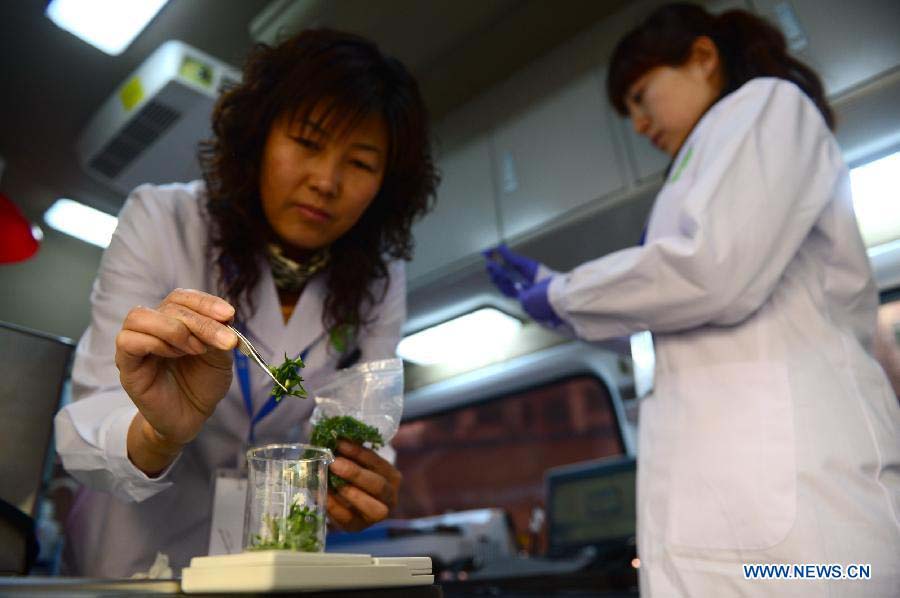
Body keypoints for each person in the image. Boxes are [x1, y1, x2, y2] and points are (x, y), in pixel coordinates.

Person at [484, 4, 900, 596]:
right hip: (736, 516)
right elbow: (676, 302)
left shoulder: (767, 107)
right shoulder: (702, 165)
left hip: (810, 529)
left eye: (640, 95)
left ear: (702, 59)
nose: (636, 124)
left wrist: (565, 292)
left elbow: (713, 268)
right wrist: (556, 294)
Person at [54, 29, 438, 577]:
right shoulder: (163, 221)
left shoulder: (380, 279)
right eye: (307, 143)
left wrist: (363, 480)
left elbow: (363, 424)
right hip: (134, 559)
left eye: (360, 163)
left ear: (386, 184)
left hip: (272, 562)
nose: (326, 181)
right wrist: (158, 433)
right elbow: (84, 431)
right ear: (259, 138)